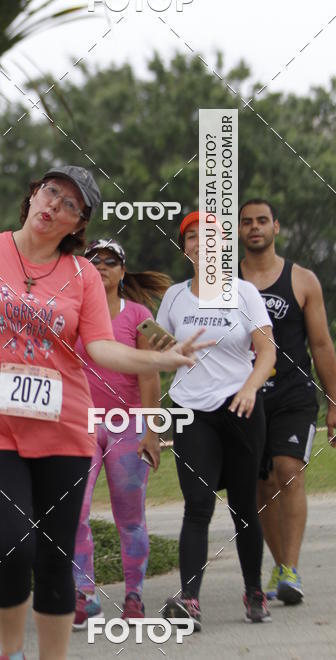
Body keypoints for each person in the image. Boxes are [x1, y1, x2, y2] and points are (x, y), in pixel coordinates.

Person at [0, 162, 209, 660]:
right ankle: (10, 652)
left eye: (71, 204)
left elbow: (101, 348)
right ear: (33, 195)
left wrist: (158, 358)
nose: (56, 205)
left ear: (79, 224)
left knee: (56, 558)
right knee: (12, 545)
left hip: (64, 431)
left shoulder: (81, 275)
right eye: (52, 192)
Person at [158, 211, 277, 628]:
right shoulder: (173, 298)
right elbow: (158, 353)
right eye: (191, 237)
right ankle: (189, 598)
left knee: (245, 505)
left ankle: (254, 590)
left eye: (208, 236)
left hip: (241, 409)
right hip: (192, 412)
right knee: (197, 505)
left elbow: (267, 352)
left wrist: (249, 388)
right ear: (185, 247)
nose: (199, 243)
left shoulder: (244, 293)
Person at [238, 198, 336, 604]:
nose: (255, 228)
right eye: (247, 223)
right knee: (261, 483)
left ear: (276, 227)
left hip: (294, 395)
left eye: (262, 221)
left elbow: (321, 344)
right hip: (244, 396)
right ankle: (279, 564)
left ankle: (291, 568)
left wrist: (333, 403)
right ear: (239, 232)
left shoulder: (303, 280)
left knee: (288, 470)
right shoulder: (224, 282)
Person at [72, 238, 171, 628]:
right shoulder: (74, 312)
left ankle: (134, 596)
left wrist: (152, 432)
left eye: (110, 261)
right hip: (80, 424)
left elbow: (150, 375)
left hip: (127, 426)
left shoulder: (139, 316)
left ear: (122, 271)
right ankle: (85, 594)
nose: (101, 266)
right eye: (93, 260)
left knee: (129, 516)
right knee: (73, 511)